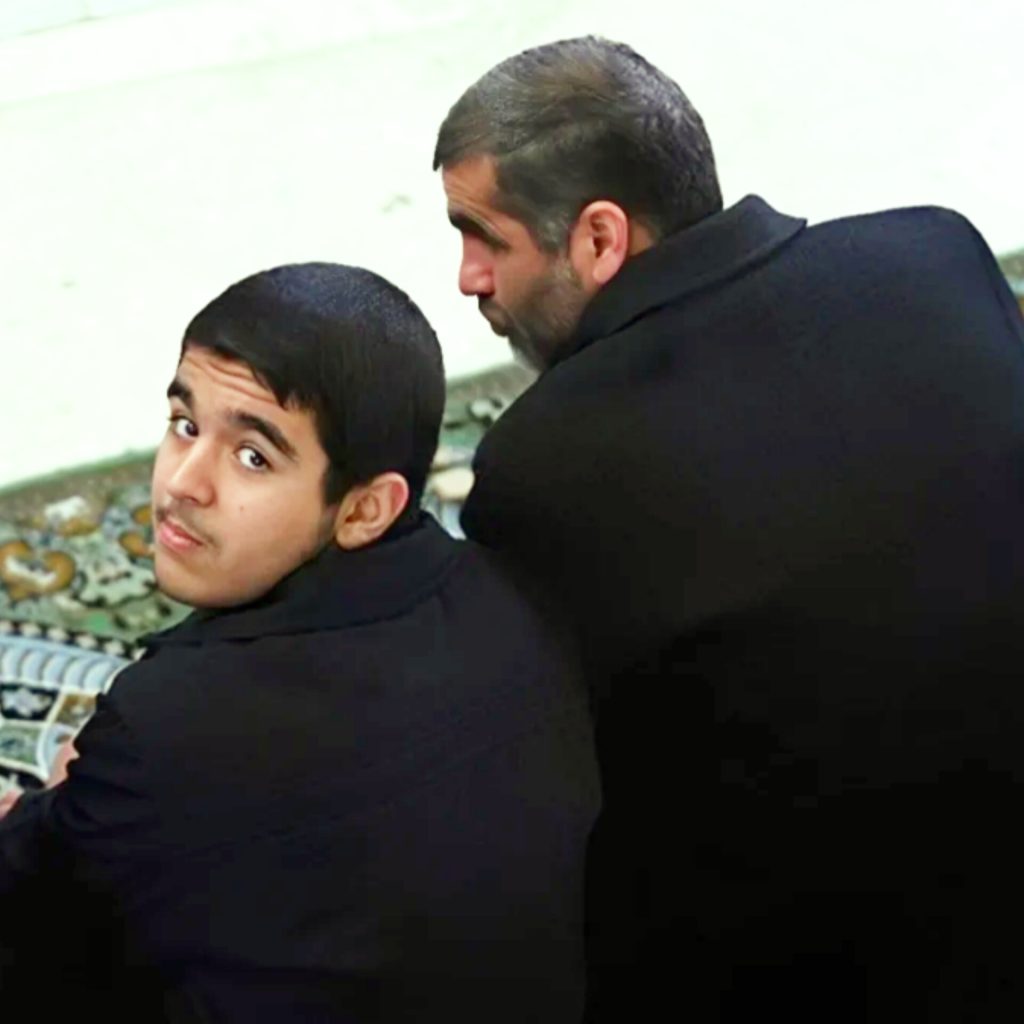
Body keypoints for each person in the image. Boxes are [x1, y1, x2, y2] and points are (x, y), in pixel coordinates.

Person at [435, 35, 1024, 1023]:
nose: (467, 278)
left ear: (599, 238)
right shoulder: (936, 253)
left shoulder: (546, 464)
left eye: (482, 237)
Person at [0, 263, 599, 1021]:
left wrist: (65, 797)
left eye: (253, 456)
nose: (183, 484)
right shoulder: (509, 592)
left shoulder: (170, 724)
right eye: (185, 425)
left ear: (366, 509)